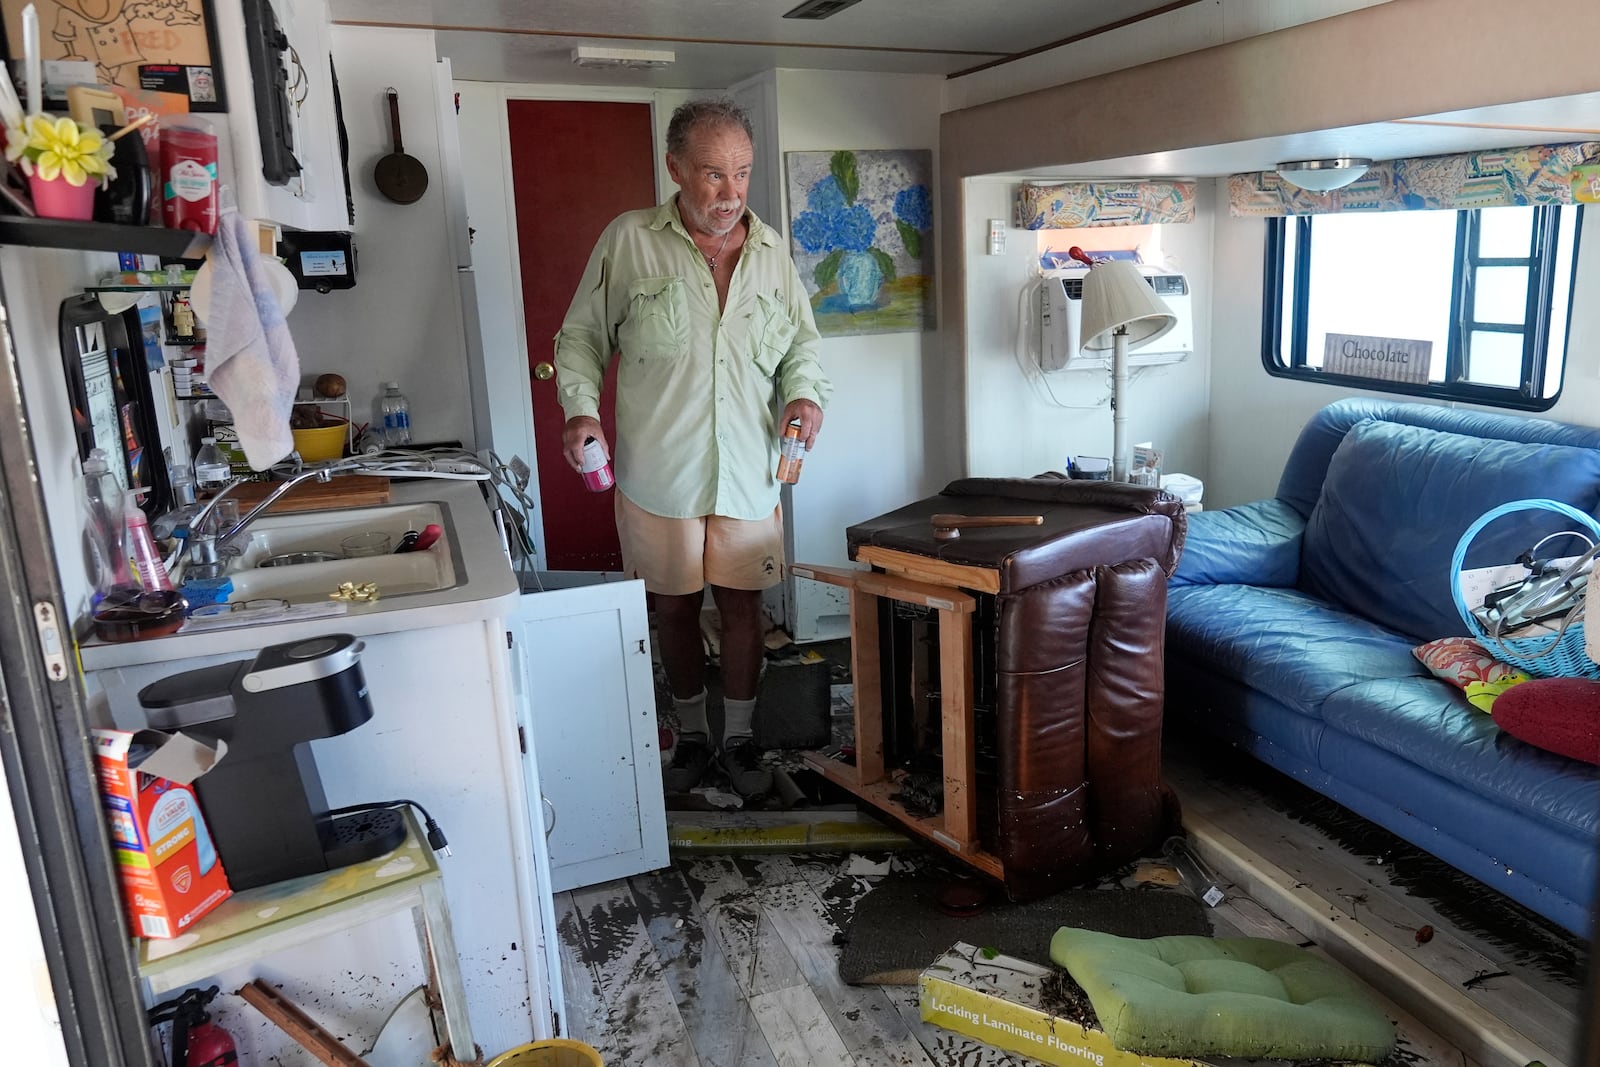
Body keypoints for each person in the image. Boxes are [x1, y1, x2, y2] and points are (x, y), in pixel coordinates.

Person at [552, 98, 832, 798]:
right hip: (659, 474)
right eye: (712, 174)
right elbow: (581, 336)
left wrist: (805, 397)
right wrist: (580, 411)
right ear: (675, 169)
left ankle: (739, 740)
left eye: (742, 173)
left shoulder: (772, 255)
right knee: (673, 608)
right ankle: (692, 737)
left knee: (744, 608)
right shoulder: (629, 240)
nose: (731, 192)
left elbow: (802, 345)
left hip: (748, 470)